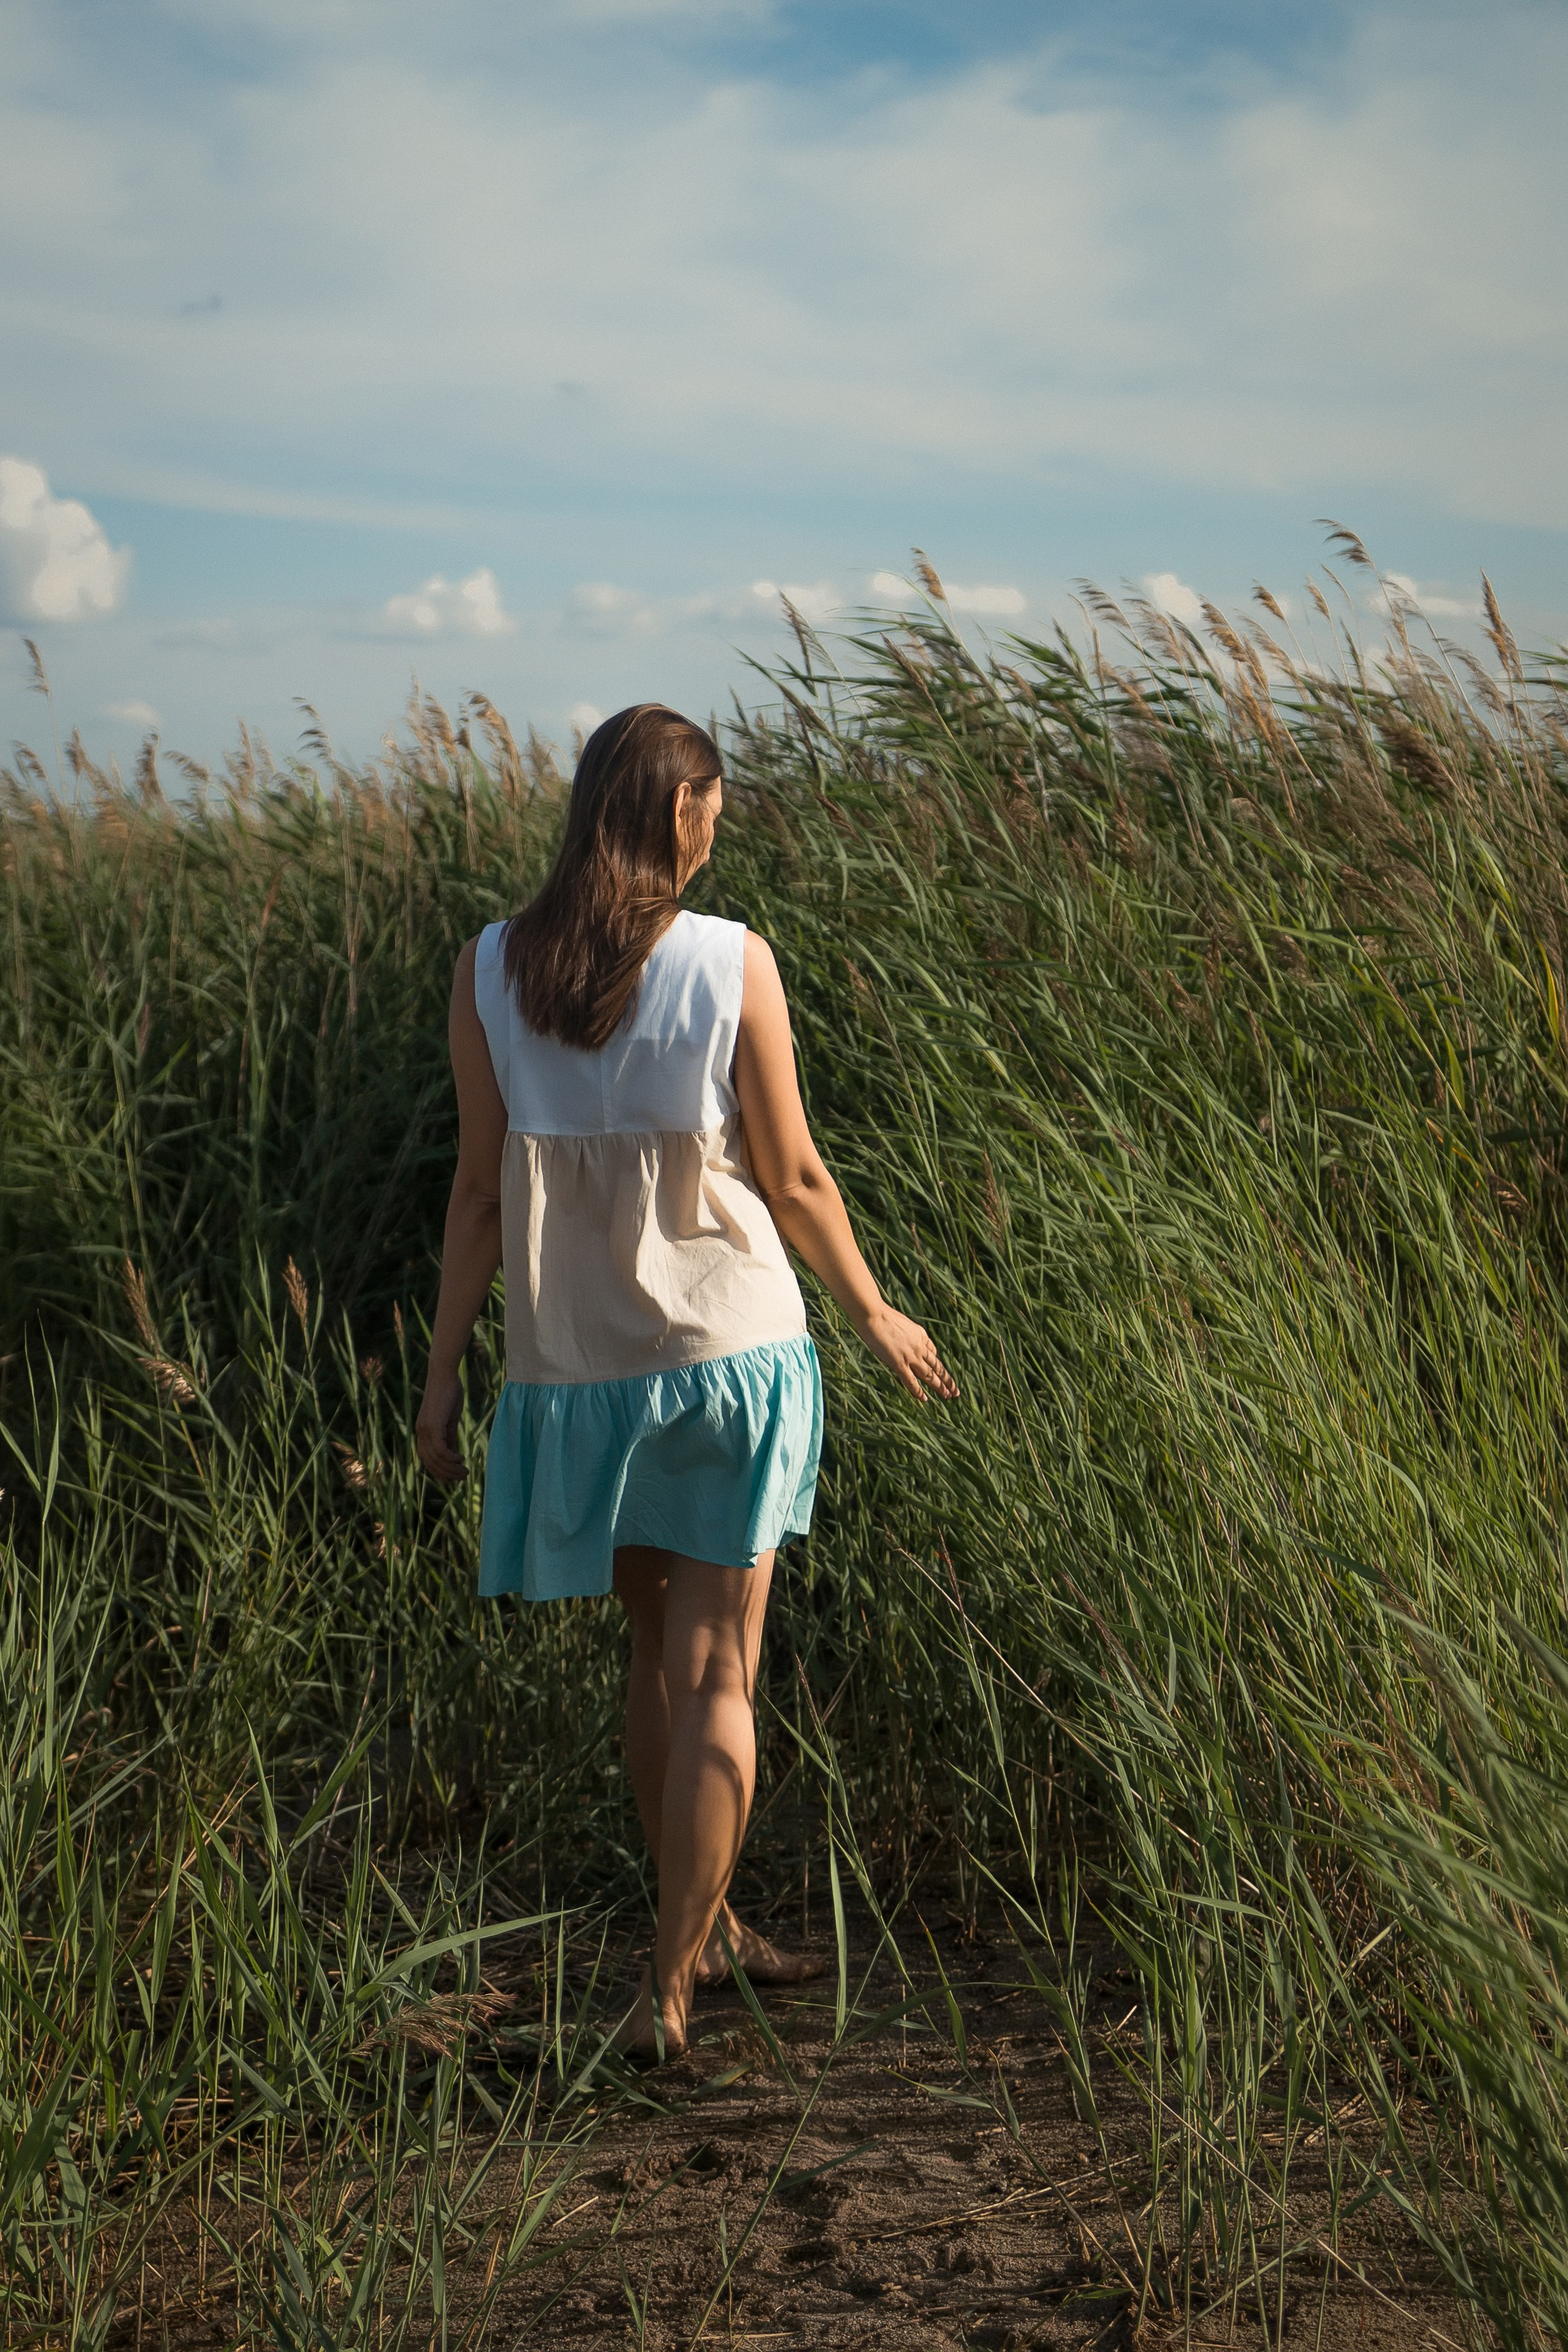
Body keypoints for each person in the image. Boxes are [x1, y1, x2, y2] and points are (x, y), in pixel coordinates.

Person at [416, 704, 956, 2058]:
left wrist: (440, 1383)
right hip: (732, 1357)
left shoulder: (492, 966)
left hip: (579, 1376)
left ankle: (702, 1938)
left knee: (655, 1653)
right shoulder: (729, 961)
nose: (720, 825)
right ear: (676, 809)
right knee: (723, 1666)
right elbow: (795, 1178)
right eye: (715, 801)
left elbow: (476, 1196)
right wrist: (877, 1310)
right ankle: (664, 1994)